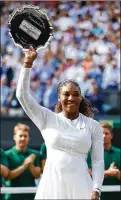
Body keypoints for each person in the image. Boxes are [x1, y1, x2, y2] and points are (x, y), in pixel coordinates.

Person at [16, 47, 104, 200]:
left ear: (81, 98)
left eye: (76, 95)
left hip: (82, 189)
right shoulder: (47, 118)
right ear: (58, 98)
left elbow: (97, 161)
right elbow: (22, 96)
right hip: (51, 188)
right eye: (66, 94)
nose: (71, 98)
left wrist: (96, 188)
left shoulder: (93, 126)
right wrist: (27, 64)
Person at [5, 123, 41, 200]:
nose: (23, 138)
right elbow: (7, 176)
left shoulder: (35, 154)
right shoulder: (7, 154)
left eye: (25, 136)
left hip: (30, 196)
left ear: (28, 138)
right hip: (12, 197)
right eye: (20, 136)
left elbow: (37, 175)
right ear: (14, 137)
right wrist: (24, 166)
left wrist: (30, 164)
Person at [87, 122, 121, 200]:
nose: (104, 136)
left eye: (106, 133)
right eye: (101, 133)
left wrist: (118, 174)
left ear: (111, 135)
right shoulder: (90, 153)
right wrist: (108, 172)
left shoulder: (119, 153)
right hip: (96, 196)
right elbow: (87, 174)